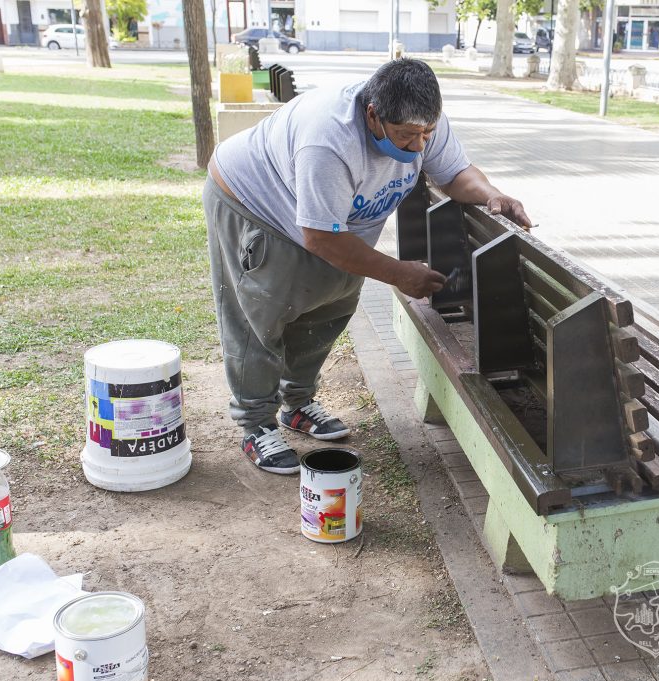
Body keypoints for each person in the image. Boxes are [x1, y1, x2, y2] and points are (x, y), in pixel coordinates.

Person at [203, 58, 530, 475]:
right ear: (373, 114)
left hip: (328, 223)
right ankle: (255, 425)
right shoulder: (328, 140)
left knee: (330, 307)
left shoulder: (423, 119)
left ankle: (297, 403)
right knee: (263, 314)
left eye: (426, 135)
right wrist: (397, 272)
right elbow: (320, 238)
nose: (417, 148)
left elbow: (454, 173)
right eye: (405, 136)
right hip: (256, 204)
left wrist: (492, 195)